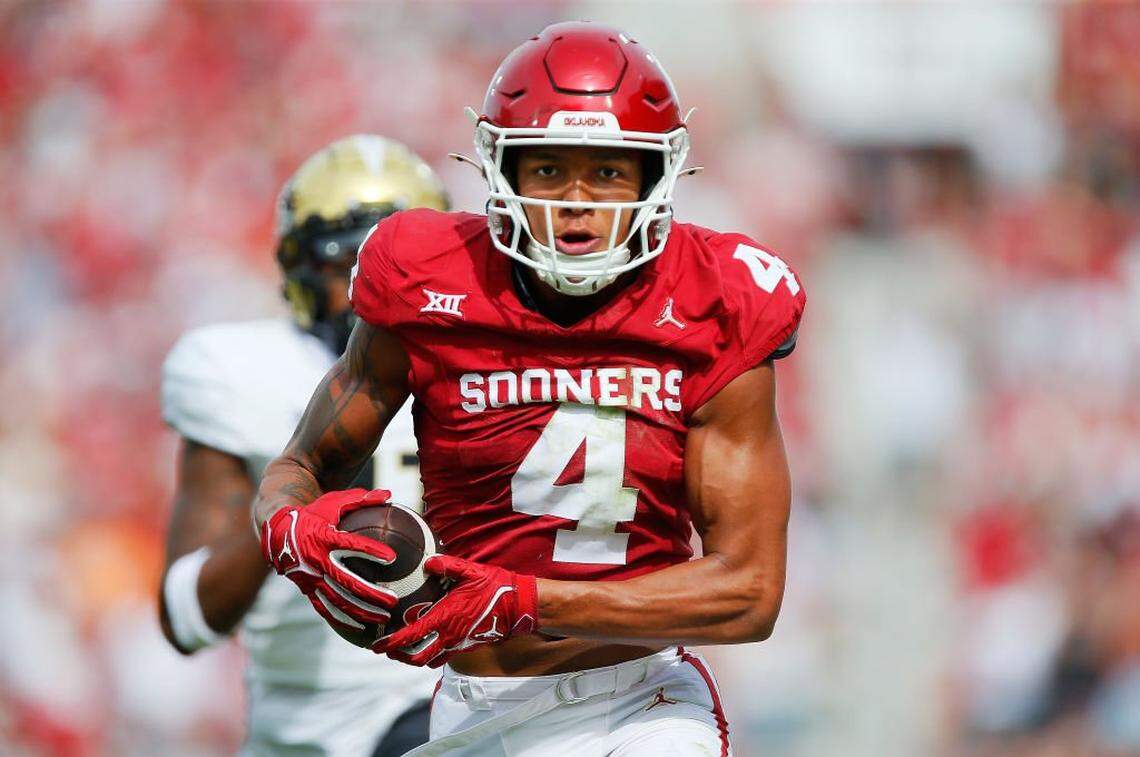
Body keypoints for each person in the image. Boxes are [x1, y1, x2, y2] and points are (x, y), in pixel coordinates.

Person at [253, 22, 806, 756]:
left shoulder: (718, 299)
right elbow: (300, 467)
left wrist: (524, 601)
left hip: (638, 705)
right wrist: (287, 528)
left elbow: (749, 592)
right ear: (502, 170)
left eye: (608, 171)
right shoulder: (425, 277)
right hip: (473, 710)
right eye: (548, 169)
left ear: (654, 177)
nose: (577, 200)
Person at [158, 134, 449, 756]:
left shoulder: (486, 370)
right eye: (347, 263)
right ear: (302, 270)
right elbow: (187, 617)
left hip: (458, 690)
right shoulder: (238, 371)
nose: (371, 289)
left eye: (399, 267)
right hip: (316, 727)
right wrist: (290, 513)